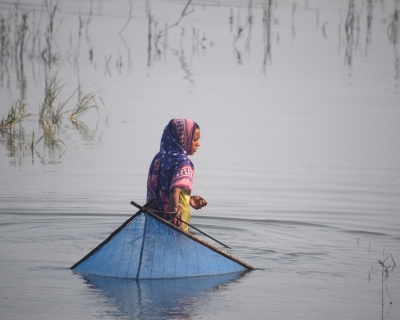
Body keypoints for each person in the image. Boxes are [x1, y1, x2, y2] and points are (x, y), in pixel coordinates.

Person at [146, 118, 207, 232]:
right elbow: (175, 190)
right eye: (195, 140)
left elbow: (163, 191)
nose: (198, 144)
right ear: (184, 140)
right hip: (174, 223)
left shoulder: (158, 159)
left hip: (154, 221)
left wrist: (189, 199)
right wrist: (174, 210)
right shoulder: (184, 163)